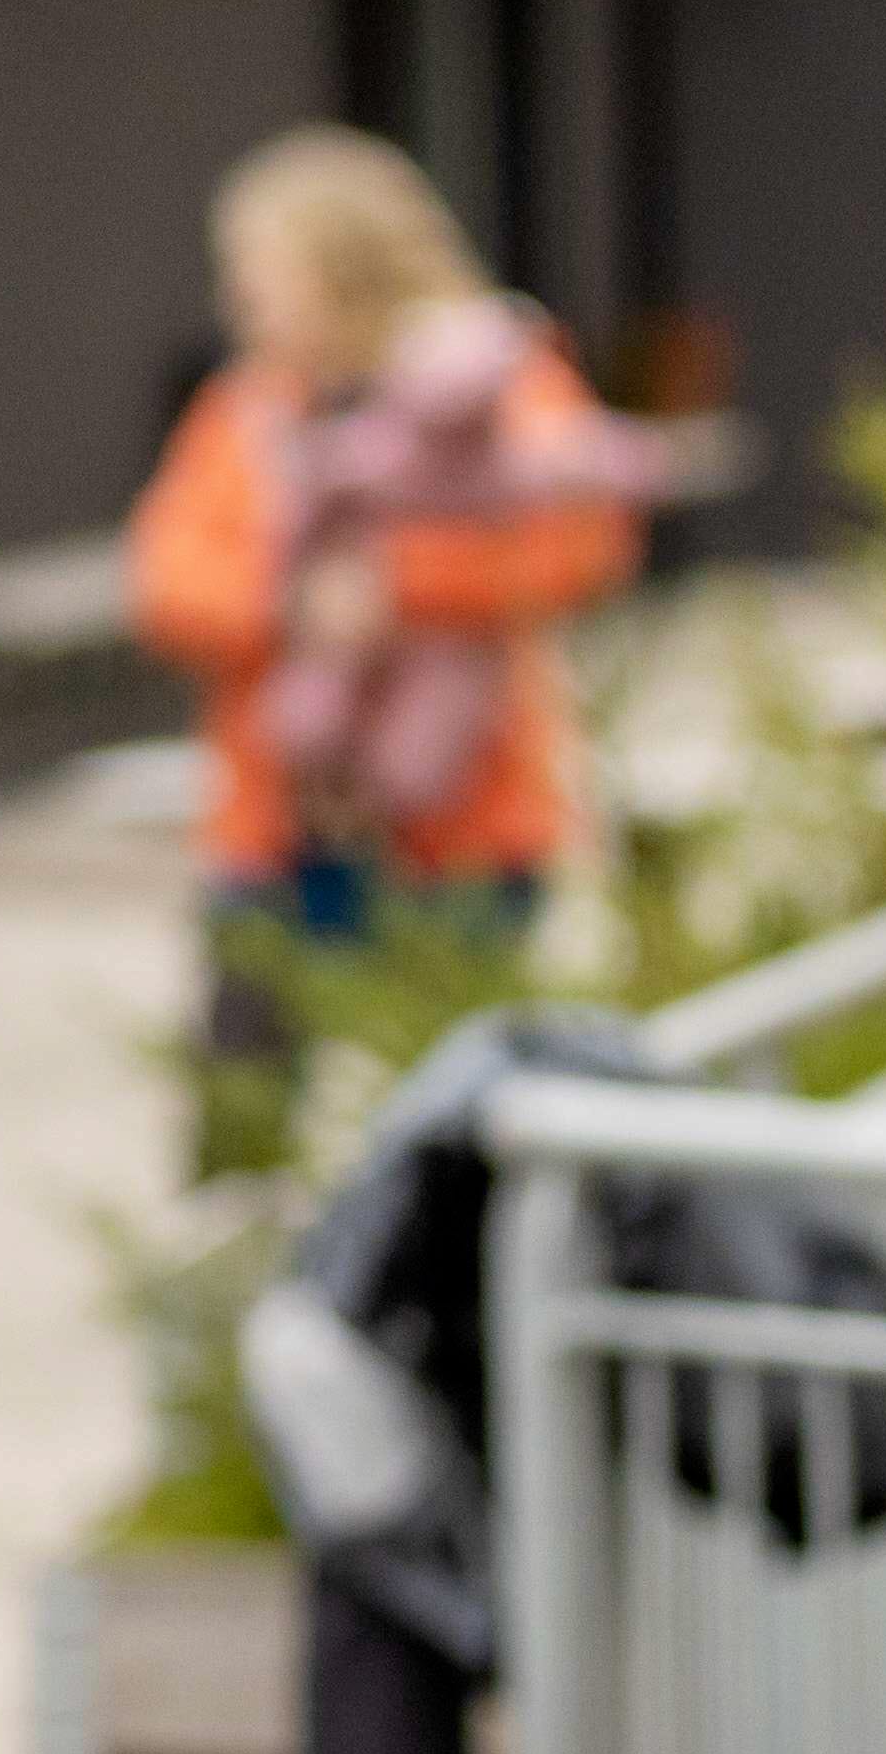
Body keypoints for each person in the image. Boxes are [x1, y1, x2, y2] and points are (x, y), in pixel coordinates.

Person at [126, 130, 637, 1163]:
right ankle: (236, 1299)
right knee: (243, 1102)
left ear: (337, 271)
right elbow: (162, 579)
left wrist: (398, 591)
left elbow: (580, 538)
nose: (240, 304)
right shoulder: (248, 410)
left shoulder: (489, 380)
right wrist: (290, 602)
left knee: (451, 1111)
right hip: (277, 825)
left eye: (258, 275)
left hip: (461, 823)